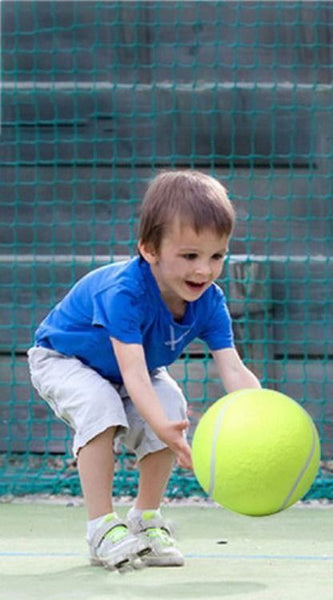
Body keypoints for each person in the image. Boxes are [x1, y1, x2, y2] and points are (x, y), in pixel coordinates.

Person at [28, 170, 262, 571]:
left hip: (125, 371)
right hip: (65, 360)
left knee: (169, 404)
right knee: (102, 406)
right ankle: (101, 528)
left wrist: (261, 416)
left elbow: (234, 368)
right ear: (149, 249)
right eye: (190, 256)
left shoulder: (210, 300)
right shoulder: (125, 292)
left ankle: (145, 520)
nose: (204, 270)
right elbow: (134, 374)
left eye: (216, 256)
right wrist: (164, 428)